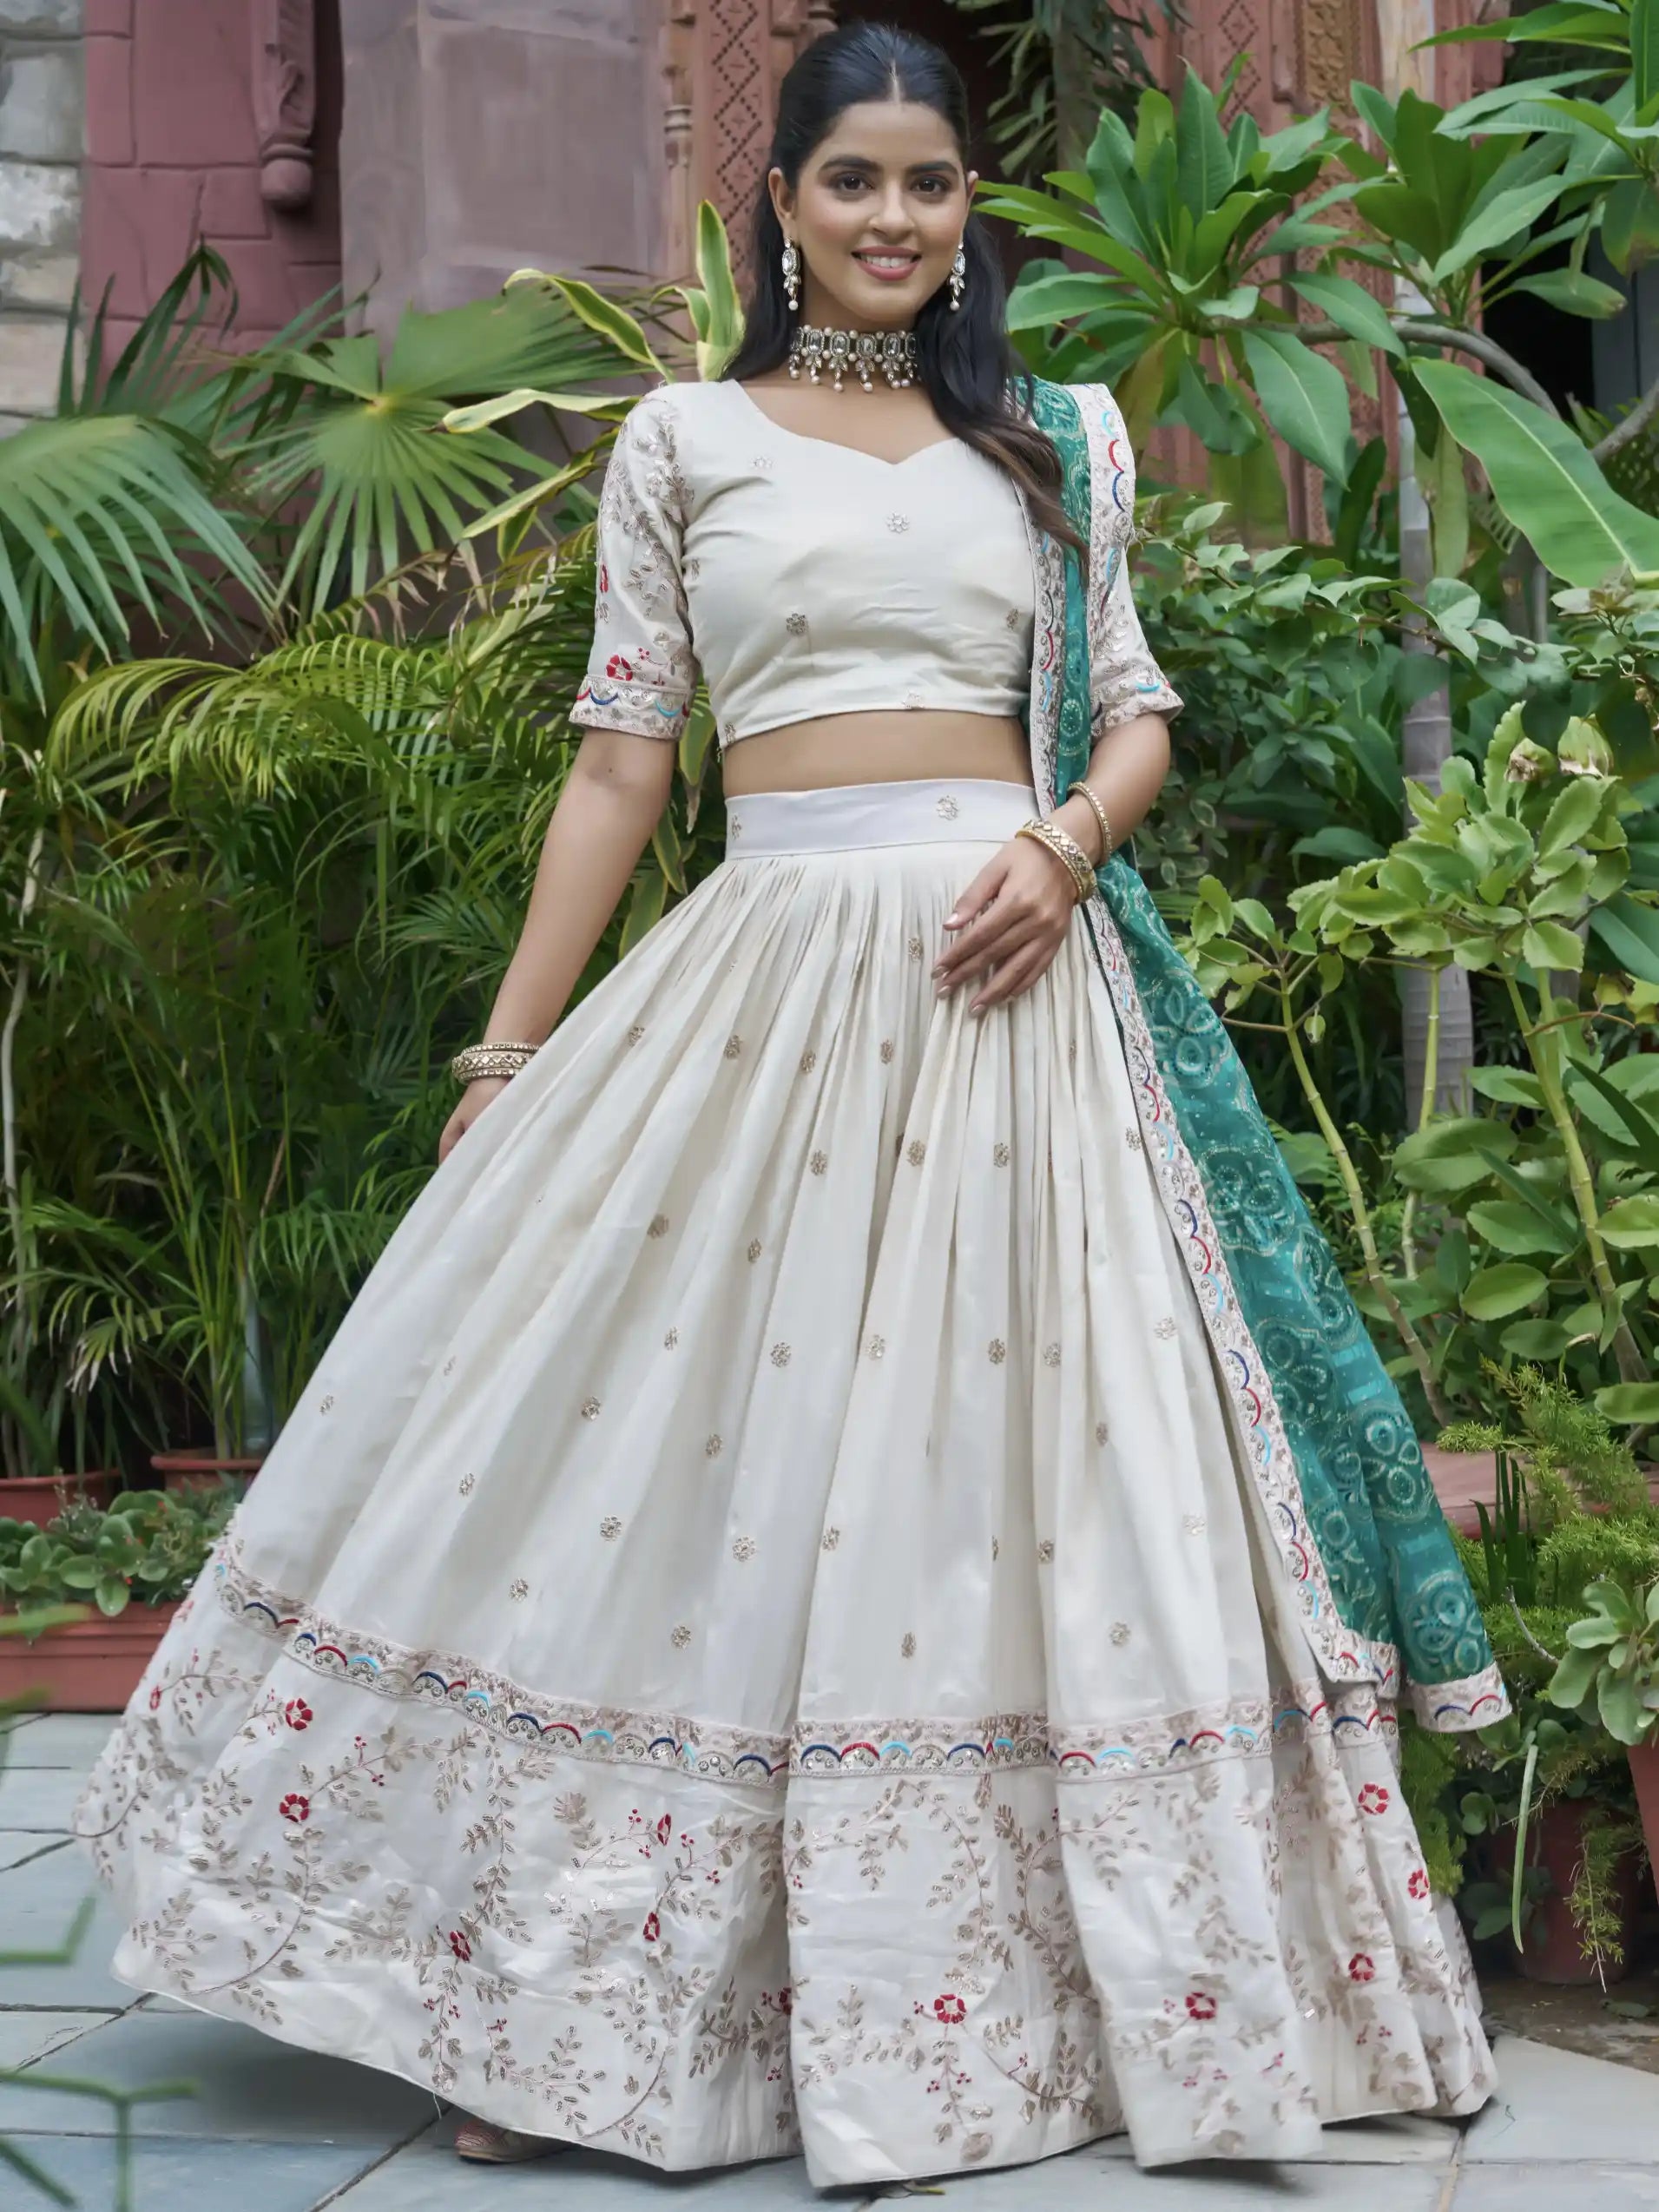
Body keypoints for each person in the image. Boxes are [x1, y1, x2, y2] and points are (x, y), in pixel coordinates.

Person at [74, 18, 1504, 2191]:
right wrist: (505, 1048)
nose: (896, 221)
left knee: (1019, 1483)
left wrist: (1059, 850)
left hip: (1015, 991)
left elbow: (1130, 712)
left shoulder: (1059, 439)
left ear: (964, 214)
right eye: (857, 182)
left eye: (932, 186)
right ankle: (560, 1992)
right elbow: (619, 761)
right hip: (761, 980)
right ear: (785, 203)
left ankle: (1105, 1997)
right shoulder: (679, 438)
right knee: (689, 1482)